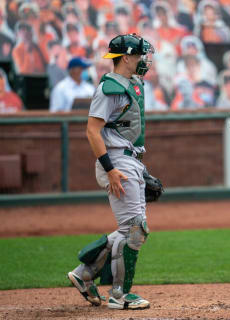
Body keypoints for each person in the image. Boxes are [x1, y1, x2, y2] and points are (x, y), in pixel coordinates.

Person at [67, 33, 155, 310]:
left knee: (131, 229)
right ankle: (120, 294)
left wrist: (139, 167)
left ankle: (84, 274)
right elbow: (92, 131)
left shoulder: (132, 83)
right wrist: (112, 169)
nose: (143, 60)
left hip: (129, 160)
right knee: (134, 230)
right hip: (115, 161)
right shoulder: (111, 87)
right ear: (126, 57)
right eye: (139, 55)